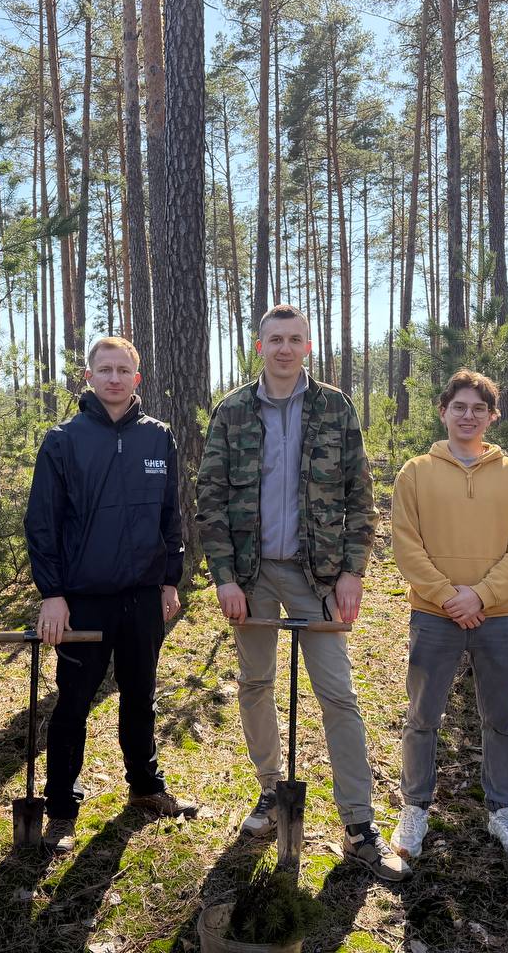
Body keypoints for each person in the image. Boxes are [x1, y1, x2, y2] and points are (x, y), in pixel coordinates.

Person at [195, 303, 410, 882]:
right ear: (258, 345)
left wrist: (352, 570)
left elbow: (361, 495)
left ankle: (359, 825)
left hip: (318, 574)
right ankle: (269, 792)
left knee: (338, 694)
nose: (284, 348)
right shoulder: (233, 411)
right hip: (251, 572)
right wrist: (224, 578)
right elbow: (209, 499)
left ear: (308, 346)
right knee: (256, 683)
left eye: (294, 339)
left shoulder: (334, 408)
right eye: (275, 339)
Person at [24, 336, 196, 854]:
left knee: (140, 696)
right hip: (84, 598)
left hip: (143, 596)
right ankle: (60, 808)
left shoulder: (157, 438)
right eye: (106, 370)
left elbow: (171, 515)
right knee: (74, 703)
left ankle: (145, 788)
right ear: (89, 377)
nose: (115, 378)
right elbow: (42, 524)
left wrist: (170, 579)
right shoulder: (63, 441)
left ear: (137, 379)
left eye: (124, 370)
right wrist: (53, 594)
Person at [389, 370, 508, 861]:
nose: (468, 415)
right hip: (433, 616)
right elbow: (406, 544)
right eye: (460, 406)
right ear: (443, 411)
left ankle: (502, 811)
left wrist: (481, 595)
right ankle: (415, 808)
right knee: (422, 717)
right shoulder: (415, 472)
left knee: (500, 718)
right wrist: (446, 596)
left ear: (492, 416)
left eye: (479, 408)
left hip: (498, 617)